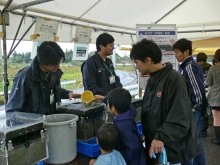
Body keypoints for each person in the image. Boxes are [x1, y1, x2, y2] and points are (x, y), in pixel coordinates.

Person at [130, 39, 202, 165]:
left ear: (148, 60)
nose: (136, 66)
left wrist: (160, 137)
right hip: (161, 145)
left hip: (174, 148)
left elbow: (180, 115)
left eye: (136, 62)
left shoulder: (174, 79)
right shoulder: (153, 78)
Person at [6, 41, 81, 115]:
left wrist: (67, 93)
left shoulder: (54, 73)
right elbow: (13, 109)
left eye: (59, 62)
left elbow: (54, 92)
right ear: (44, 61)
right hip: (33, 123)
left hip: (51, 119)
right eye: (54, 63)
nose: (58, 66)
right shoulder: (25, 77)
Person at [173, 38, 206, 165]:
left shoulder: (189, 66)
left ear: (186, 52)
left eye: (177, 52)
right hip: (194, 110)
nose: (176, 55)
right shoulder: (190, 65)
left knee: (189, 145)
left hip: (193, 111)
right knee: (196, 142)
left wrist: (194, 106)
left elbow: (198, 89)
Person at [107, 88, 147, 165]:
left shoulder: (122, 124)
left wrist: (120, 160)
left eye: (108, 103)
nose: (107, 105)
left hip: (134, 162)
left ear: (113, 108)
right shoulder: (128, 114)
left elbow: (133, 147)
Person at [81, 33, 122, 101]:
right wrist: (107, 96)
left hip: (110, 100)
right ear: (102, 46)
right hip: (98, 103)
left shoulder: (109, 62)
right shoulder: (90, 63)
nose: (113, 47)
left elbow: (115, 78)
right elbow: (90, 86)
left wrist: (118, 92)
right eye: (111, 45)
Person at [205, 49, 220, 146]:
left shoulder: (214, 68)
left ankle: (218, 139)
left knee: (217, 118)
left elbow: (208, 82)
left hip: (217, 96)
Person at [196, 52, 212, 137]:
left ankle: (198, 130)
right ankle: (204, 131)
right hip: (208, 91)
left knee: (197, 110)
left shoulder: (195, 66)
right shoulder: (210, 67)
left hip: (197, 91)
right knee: (206, 110)